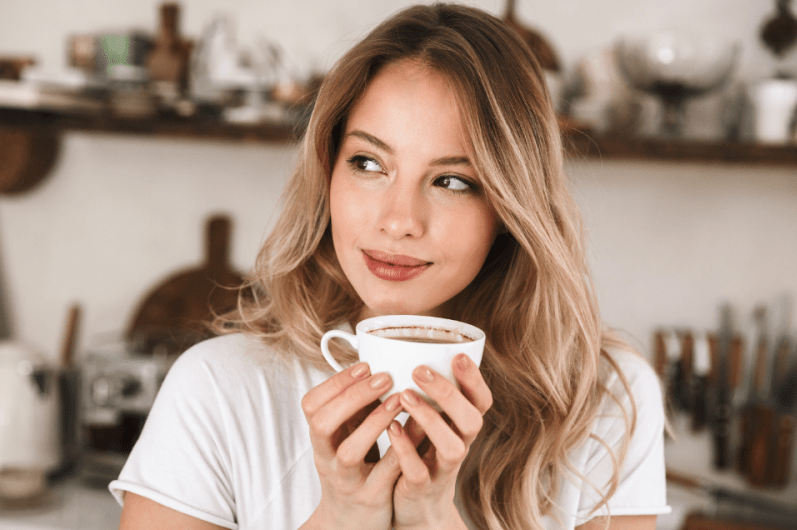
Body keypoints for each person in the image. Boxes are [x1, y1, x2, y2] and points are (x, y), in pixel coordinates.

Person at [112, 4, 670, 530]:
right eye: (368, 163)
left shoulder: (603, 401)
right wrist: (341, 517)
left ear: (508, 206)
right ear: (328, 170)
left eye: (452, 181)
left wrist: (433, 517)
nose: (398, 220)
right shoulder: (217, 387)